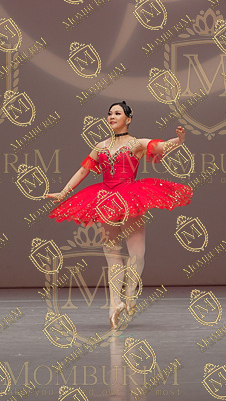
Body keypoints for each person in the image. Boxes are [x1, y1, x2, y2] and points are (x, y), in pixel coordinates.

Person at [46, 101, 193, 329]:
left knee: (137, 254)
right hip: (105, 200)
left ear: (128, 118)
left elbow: (161, 146)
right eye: (109, 113)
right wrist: (63, 192)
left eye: (117, 113)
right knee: (112, 255)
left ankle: (131, 292)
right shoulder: (101, 146)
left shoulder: (136, 143)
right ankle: (115, 304)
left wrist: (179, 141)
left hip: (129, 198)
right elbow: (84, 170)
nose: (112, 117)